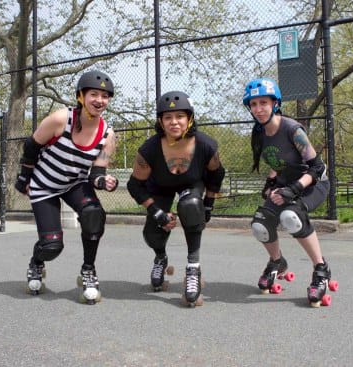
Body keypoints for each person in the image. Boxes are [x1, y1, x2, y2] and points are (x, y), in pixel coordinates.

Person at [14, 70, 118, 305]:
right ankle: (36, 262)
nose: (99, 100)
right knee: (52, 246)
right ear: (81, 96)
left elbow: (97, 172)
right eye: (94, 94)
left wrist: (103, 181)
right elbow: (32, 146)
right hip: (45, 186)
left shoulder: (107, 134)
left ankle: (88, 271)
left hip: (75, 183)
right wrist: (24, 178)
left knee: (94, 215)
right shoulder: (62, 119)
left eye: (105, 96)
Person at [127, 91, 225, 307]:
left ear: (189, 118)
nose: (174, 122)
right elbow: (134, 185)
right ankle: (160, 258)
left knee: (190, 206)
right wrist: (157, 212)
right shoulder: (150, 149)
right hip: (159, 186)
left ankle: (193, 268)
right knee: (153, 233)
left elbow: (216, 175)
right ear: (160, 121)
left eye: (179, 116)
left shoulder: (205, 145)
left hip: (192, 185)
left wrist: (208, 204)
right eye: (168, 117)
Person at [242, 77, 334, 307]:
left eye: (263, 102)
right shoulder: (260, 133)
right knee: (260, 223)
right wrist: (271, 184)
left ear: (275, 103)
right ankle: (277, 262)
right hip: (286, 185)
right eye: (253, 104)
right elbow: (279, 160)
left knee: (291, 217)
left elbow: (317, 167)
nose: (258, 108)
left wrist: (293, 189)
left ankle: (321, 268)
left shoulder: (293, 129)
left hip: (313, 184)